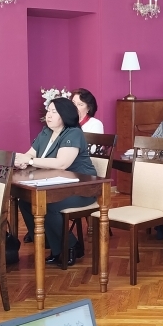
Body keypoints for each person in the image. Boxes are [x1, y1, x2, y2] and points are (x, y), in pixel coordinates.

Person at [15, 98, 98, 266]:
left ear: (65, 115)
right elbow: (31, 153)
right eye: (48, 111)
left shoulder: (73, 133)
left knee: (49, 205)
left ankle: (70, 246)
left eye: (54, 112)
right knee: (24, 201)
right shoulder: (46, 132)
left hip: (81, 188)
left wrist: (30, 161)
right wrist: (23, 160)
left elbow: (62, 163)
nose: (49, 115)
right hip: (57, 186)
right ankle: (51, 243)